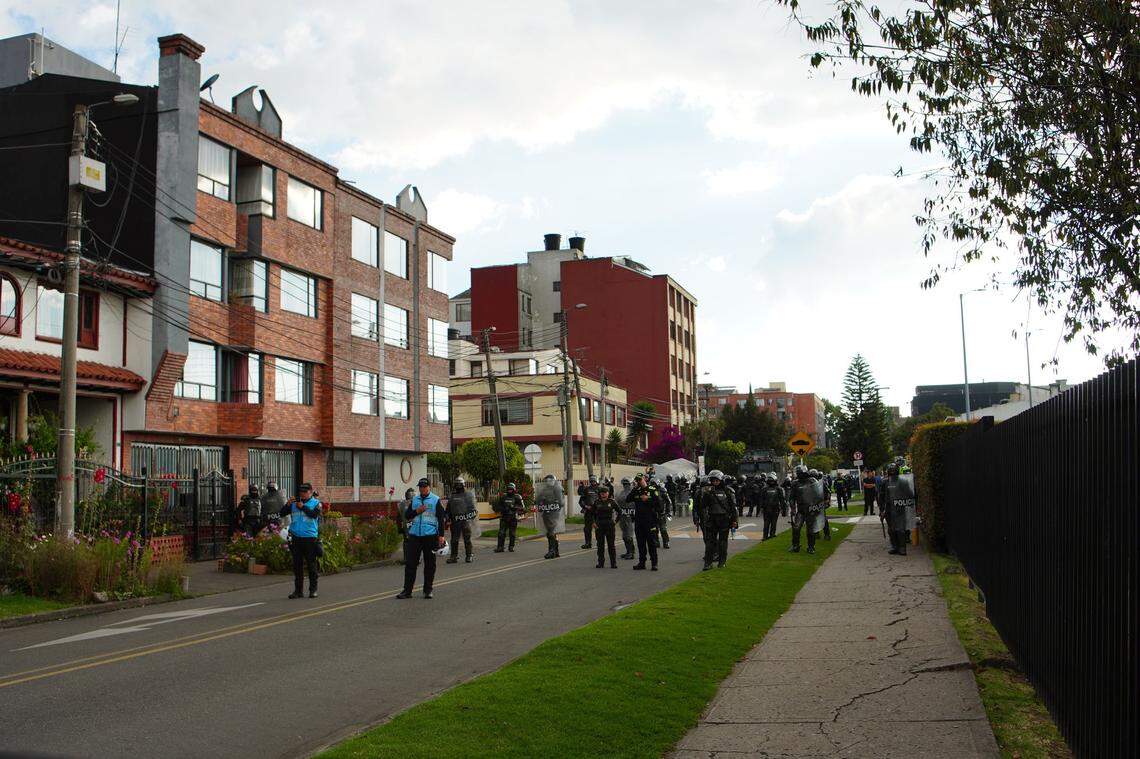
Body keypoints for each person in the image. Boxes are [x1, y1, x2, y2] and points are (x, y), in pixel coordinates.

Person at [397, 478, 447, 599]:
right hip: (415, 535)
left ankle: (428, 590)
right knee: (410, 564)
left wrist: (441, 536)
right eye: (420, 487)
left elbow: (441, 518)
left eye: (424, 487)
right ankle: (407, 591)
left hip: (430, 536)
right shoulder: (415, 500)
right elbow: (407, 515)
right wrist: (416, 511)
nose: (422, 489)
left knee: (430, 564)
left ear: (429, 487)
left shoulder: (435, 500)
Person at [279, 483, 322, 599]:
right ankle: (298, 591)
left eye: (305, 492)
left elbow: (314, 515)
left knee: (311, 565)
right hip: (296, 537)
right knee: (297, 565)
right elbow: (282, 513)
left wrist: (302, 506)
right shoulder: (293, 503)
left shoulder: (316, 503)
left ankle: (313, 590)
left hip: (310, 538)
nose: (302, 494)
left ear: (311, 492)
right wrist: (287, 504)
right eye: (301, 492)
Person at [695, 470, 737, 570]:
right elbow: (703, 506)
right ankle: (708, 563)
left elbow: (733, 508)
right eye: (713, 480)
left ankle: (722, 563)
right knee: (710, 542)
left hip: (724, 519)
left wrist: (735, 521)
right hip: (712, 519)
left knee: (723, 542)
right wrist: (705, 494)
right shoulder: (708, 492)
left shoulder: (728, 491)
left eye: (717, 480)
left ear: (721, 480)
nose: (715, 482)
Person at [789, 465, 825, 554]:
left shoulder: (812, 481)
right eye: (798, 473)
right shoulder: (795, 483)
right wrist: (792, 507)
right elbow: (791, 497)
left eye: (800, 473)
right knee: (796, 528)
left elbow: (819, 494)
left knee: (810, 530)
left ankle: (811, 547)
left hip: (811, 509)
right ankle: (795, 545)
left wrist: (818, 506)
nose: (798, 474)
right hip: (800, 510)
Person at [629, 473, 661, 571]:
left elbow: (659, 505)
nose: (639, 482)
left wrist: (648, 499)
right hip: (639, 521)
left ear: (644, 479)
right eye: (637, 480)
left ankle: (654, 563)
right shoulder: (636, 490)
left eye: (640, 479)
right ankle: (642, 563)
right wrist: (634, 489)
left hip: (650, 521)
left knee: (651, 543)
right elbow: (628, 499)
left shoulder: (652, 489)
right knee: (640, 543)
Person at [883, 463, 916, 555]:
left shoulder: (903, 482)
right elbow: (881, 496)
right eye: (890, 471)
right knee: (891, 529)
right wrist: (882, 510)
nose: (892, 472)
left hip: (899, 507)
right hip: (889, 508)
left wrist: (905, 501)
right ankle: (895, 546)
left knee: (900, 529)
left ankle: (902, 548)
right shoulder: (885, 482)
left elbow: (910, 495)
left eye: (893, 470)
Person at [445, 477, 476, 564]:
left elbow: (473, 509)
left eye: (460, 484)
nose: (458, 486)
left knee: (467, 539)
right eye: (456, 484)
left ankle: (469, 555)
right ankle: (453, 556)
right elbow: (448, 510)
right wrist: (447, 518)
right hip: (455, 521)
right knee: (454, 540)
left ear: (463, 485)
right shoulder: (452, 496)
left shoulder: (468, 495)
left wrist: (469, 517)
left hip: (465, 521)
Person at [535, 474, 565, 559]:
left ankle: (551, 551)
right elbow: (537, 500)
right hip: (546, 512)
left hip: (554, 512)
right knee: (551, 532)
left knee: (551, 532)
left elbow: (561, 502)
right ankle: (556, 551)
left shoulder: (558, 489)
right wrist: (541, 500)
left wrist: (551, 501)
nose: (548, 482)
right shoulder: (544, 490)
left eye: (550, 480)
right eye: (547, 480)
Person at [493, 482, 527, 553]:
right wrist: (503, 508)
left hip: (513, 517)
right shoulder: (503, 497)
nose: (510, 491)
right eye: (508, 490)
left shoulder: (517, 497)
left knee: (512, 533)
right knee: (501, 533)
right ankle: (500, 547)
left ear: (514, 490)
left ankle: (511, 546)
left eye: (511, 490)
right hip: (504, 517)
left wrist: (514, 507)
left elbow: (523, 508)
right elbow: (497, 506)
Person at [592, 483, 620, 569]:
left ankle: (613, 563)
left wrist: (616, 521)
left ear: (608, 493)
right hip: (599, 525)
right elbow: (592, 513)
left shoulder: (612, 502)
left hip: (609, 525)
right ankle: (601, 563)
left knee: (611, 545)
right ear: (600, 494)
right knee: (600, 545)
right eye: (602, 493)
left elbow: (620, 511)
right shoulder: (597, 502)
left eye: (605, 492)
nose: (603, 494)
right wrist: (593, 522)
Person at [577, 475, 601, 549]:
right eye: (591, 481)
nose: (593, 482)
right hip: (588, 511)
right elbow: (581, 501)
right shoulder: (586, 489)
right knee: (587, 528)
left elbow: (604, 499)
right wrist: (585, 506)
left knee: (598, 528)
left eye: (594, 481)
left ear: (596, 481)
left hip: (598, 512)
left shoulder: (600, 489)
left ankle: (599, 543)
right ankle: (588, 543)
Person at [760, 473, 785, 540]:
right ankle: (770, 535)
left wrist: (783, 509)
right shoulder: (766, 489)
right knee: (770, 522)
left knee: (768, 522)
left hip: (773, 508)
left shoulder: (777, 489)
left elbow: (782, 500)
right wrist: (783, 509)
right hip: (771, 508)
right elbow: (782, 500)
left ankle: (767, 535)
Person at [616, 477, 636, 560]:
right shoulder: (620, 493)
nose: (626, 485)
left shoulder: (634, 493)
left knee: (628, 535)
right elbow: (617, 504)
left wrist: (635, 515)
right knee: (624, 535)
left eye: (627, 484)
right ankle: (628, 551)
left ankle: (631, 553)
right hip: (622, 515)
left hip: (631, 516)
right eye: (624, 484)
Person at [651, 477, 672, 549]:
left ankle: (666, 542)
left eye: (654, 484)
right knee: (654, 529)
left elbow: (668, 501)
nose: (653, 485)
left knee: (663, 529)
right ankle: (656, 542)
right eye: (652, 484)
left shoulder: (662, 490)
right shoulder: (649, 491)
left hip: (661, 513)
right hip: (652, 513)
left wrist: (668, 511)